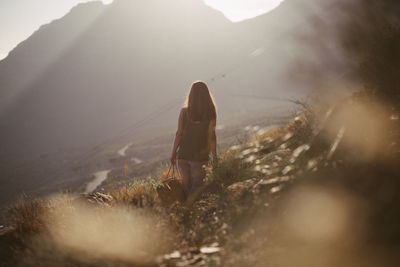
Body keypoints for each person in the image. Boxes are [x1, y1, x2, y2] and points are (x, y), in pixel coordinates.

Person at [170, 81, 217, 202]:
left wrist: (174, 153)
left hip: (183, 156)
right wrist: (215, 156)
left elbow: (179, 133)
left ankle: (185, 213)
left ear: (191, 95)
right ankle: (188, 211)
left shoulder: (184, 112)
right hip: (199, 158)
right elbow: (211, 136)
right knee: (197, 186)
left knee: (186, 186)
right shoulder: (211, 113)